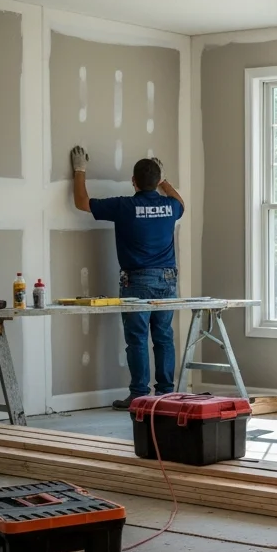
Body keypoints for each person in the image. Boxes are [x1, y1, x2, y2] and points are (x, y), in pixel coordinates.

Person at [69, 146, 186, 410]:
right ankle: (166, 394)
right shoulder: (169, 206)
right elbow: (181, 203)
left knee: (137, 338)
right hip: (167, 280)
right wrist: (164, 180)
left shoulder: (124, 205)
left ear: (133, 181)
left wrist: (79, 170)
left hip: (137, 281)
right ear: (156, 182)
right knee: (164, 336)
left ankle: (140, 395)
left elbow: (81, 202)